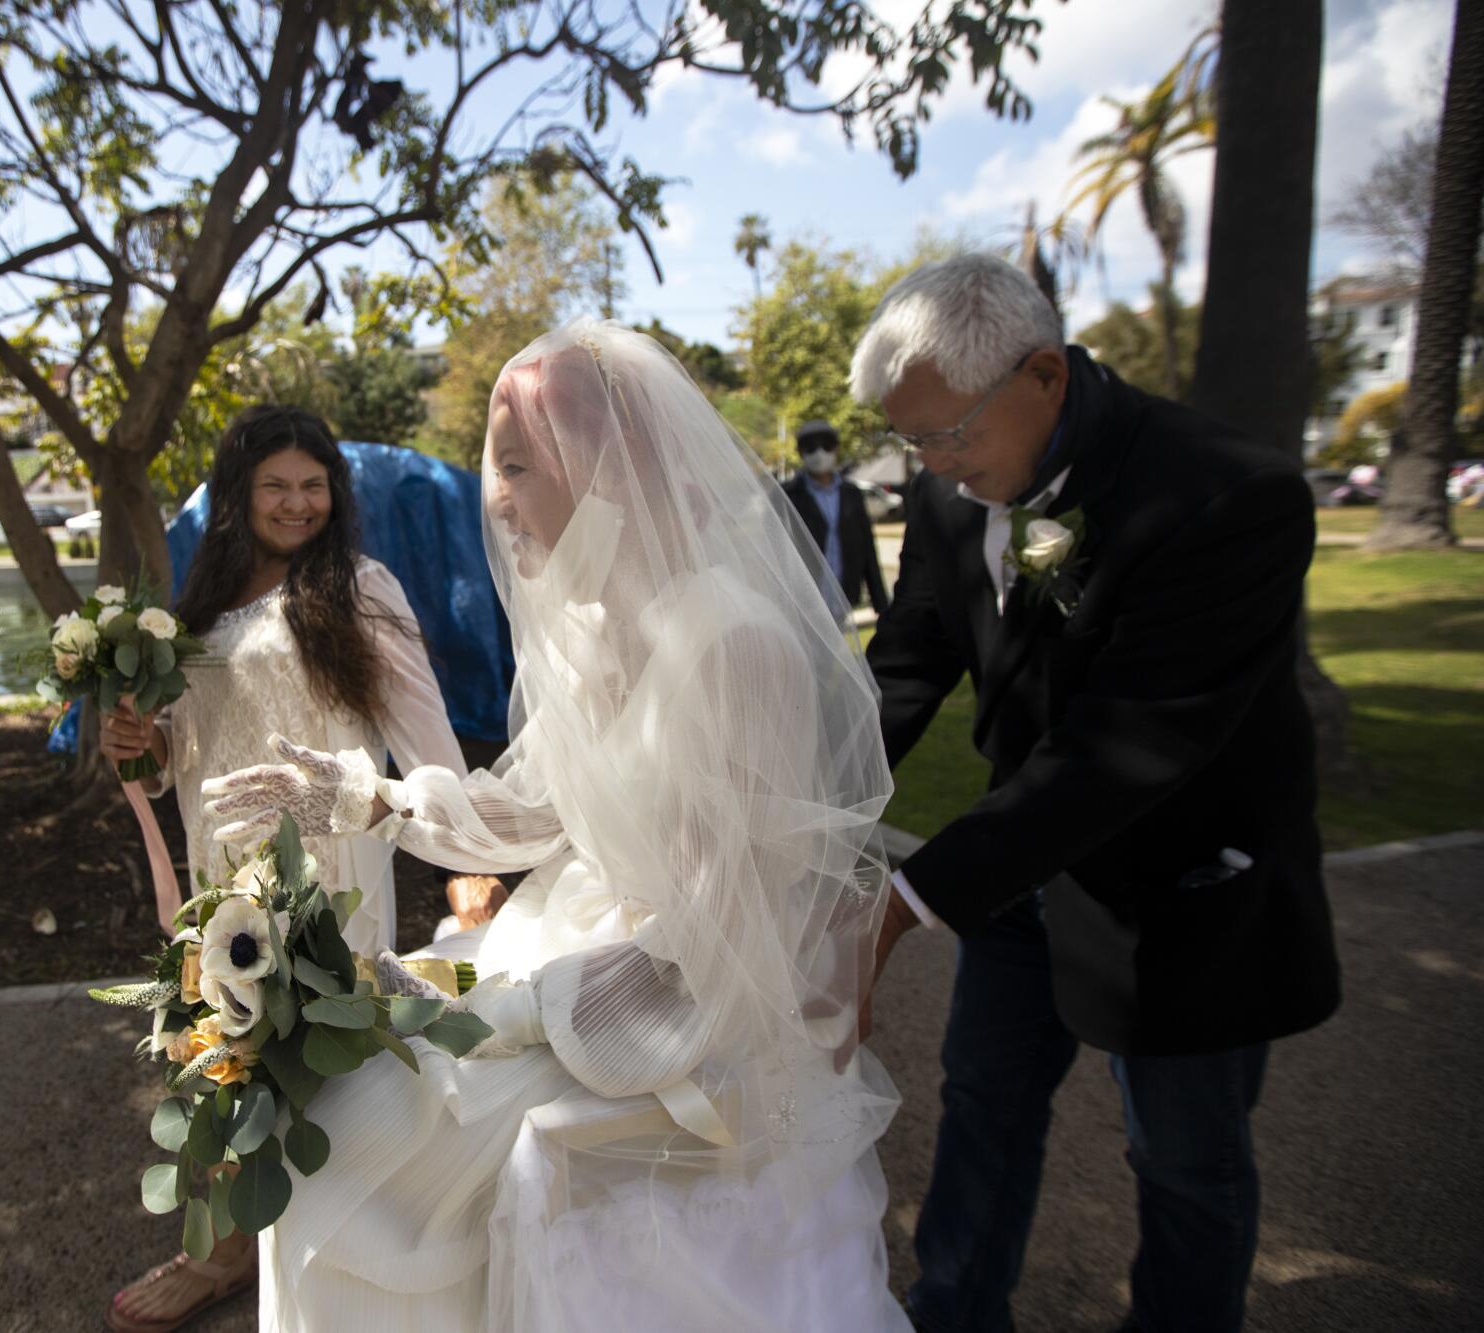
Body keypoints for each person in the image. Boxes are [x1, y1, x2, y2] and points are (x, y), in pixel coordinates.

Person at [201, 323, 908, 1332]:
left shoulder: (733, 643)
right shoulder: (588, 624)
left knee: (351, 1151)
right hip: (580, 955)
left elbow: (717, 930)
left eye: (518, 467)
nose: (495, 499)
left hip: (682, 1008)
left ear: (606, 469)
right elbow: (537, 804)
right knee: (338, 1116)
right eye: (496, 467)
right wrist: (374, 797)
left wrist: (499, 1011)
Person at [851, 255, 1341, 1333]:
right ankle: (955, 1312)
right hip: (1015, 877)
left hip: (1177, 891)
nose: (929, 464)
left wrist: (900, 901)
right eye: (911, 440)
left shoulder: (1225, 493)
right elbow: (903, 671)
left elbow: (1126, 745)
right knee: (981, 1106)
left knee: (1181, 1158)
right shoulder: (949, 495)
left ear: (1044, 375)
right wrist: (792, 793)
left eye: (950, 435)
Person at [98, 404, 503, 1333]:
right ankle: (229, 1253)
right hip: (219, 869)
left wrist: (464, 858)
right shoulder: (198, 604)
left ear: (335, 492)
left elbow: (428, 743)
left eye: (312, 484)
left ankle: (336, 1266)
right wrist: (144, 742)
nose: (296, 502)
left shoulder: (360, 588)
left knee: (321, 1071)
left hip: (321, 868)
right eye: (275, 484)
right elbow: (178, 759)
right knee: (221, 1059)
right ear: (237, 494)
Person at [781, 419, 889, 613]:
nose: (819, 453)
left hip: (842, 594)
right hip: (801, 599)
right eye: (811, 448)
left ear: (836, 449)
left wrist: (880, 602)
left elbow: (866, 546)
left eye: (826, 446)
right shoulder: (788, 495)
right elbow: (776, 548)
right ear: (800, 452)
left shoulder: (851, 493)